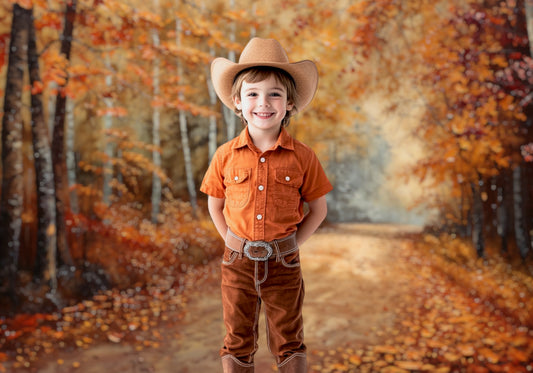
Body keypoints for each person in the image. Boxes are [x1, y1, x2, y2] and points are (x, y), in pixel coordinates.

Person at [200, 37, 333, 373]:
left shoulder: (302, 157)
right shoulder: (225, 155)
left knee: (289, 337)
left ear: (289, 103)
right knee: (237, 338)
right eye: (253, 93)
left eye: (275, 93)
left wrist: (290, 246)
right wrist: (231, 242)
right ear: (237, 102)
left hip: (283, 265)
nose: (264, 102)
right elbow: (215, 205)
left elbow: (318, 210)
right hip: (237, 263)